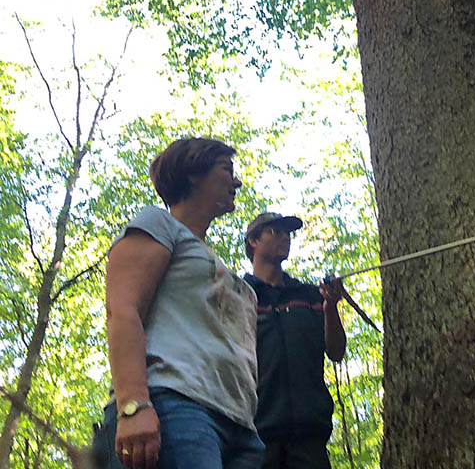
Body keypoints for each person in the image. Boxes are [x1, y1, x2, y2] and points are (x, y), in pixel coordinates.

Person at [100, 137, 264, 469]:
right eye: (226, 169)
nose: (237, 181)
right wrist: (133, 406)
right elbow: (123, 310)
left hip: (241, 429)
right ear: (193, 174)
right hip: (176, 407)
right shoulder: (159, 225)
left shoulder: (212, 261)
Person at [243, 212, 347, 469]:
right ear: (253, 241)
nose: (284, 237)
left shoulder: (311, 295)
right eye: (275, 231)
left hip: (309, 434)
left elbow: (336, 351)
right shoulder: (239, 295)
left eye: (287, 232)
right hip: (255, 433)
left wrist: (330, 307)